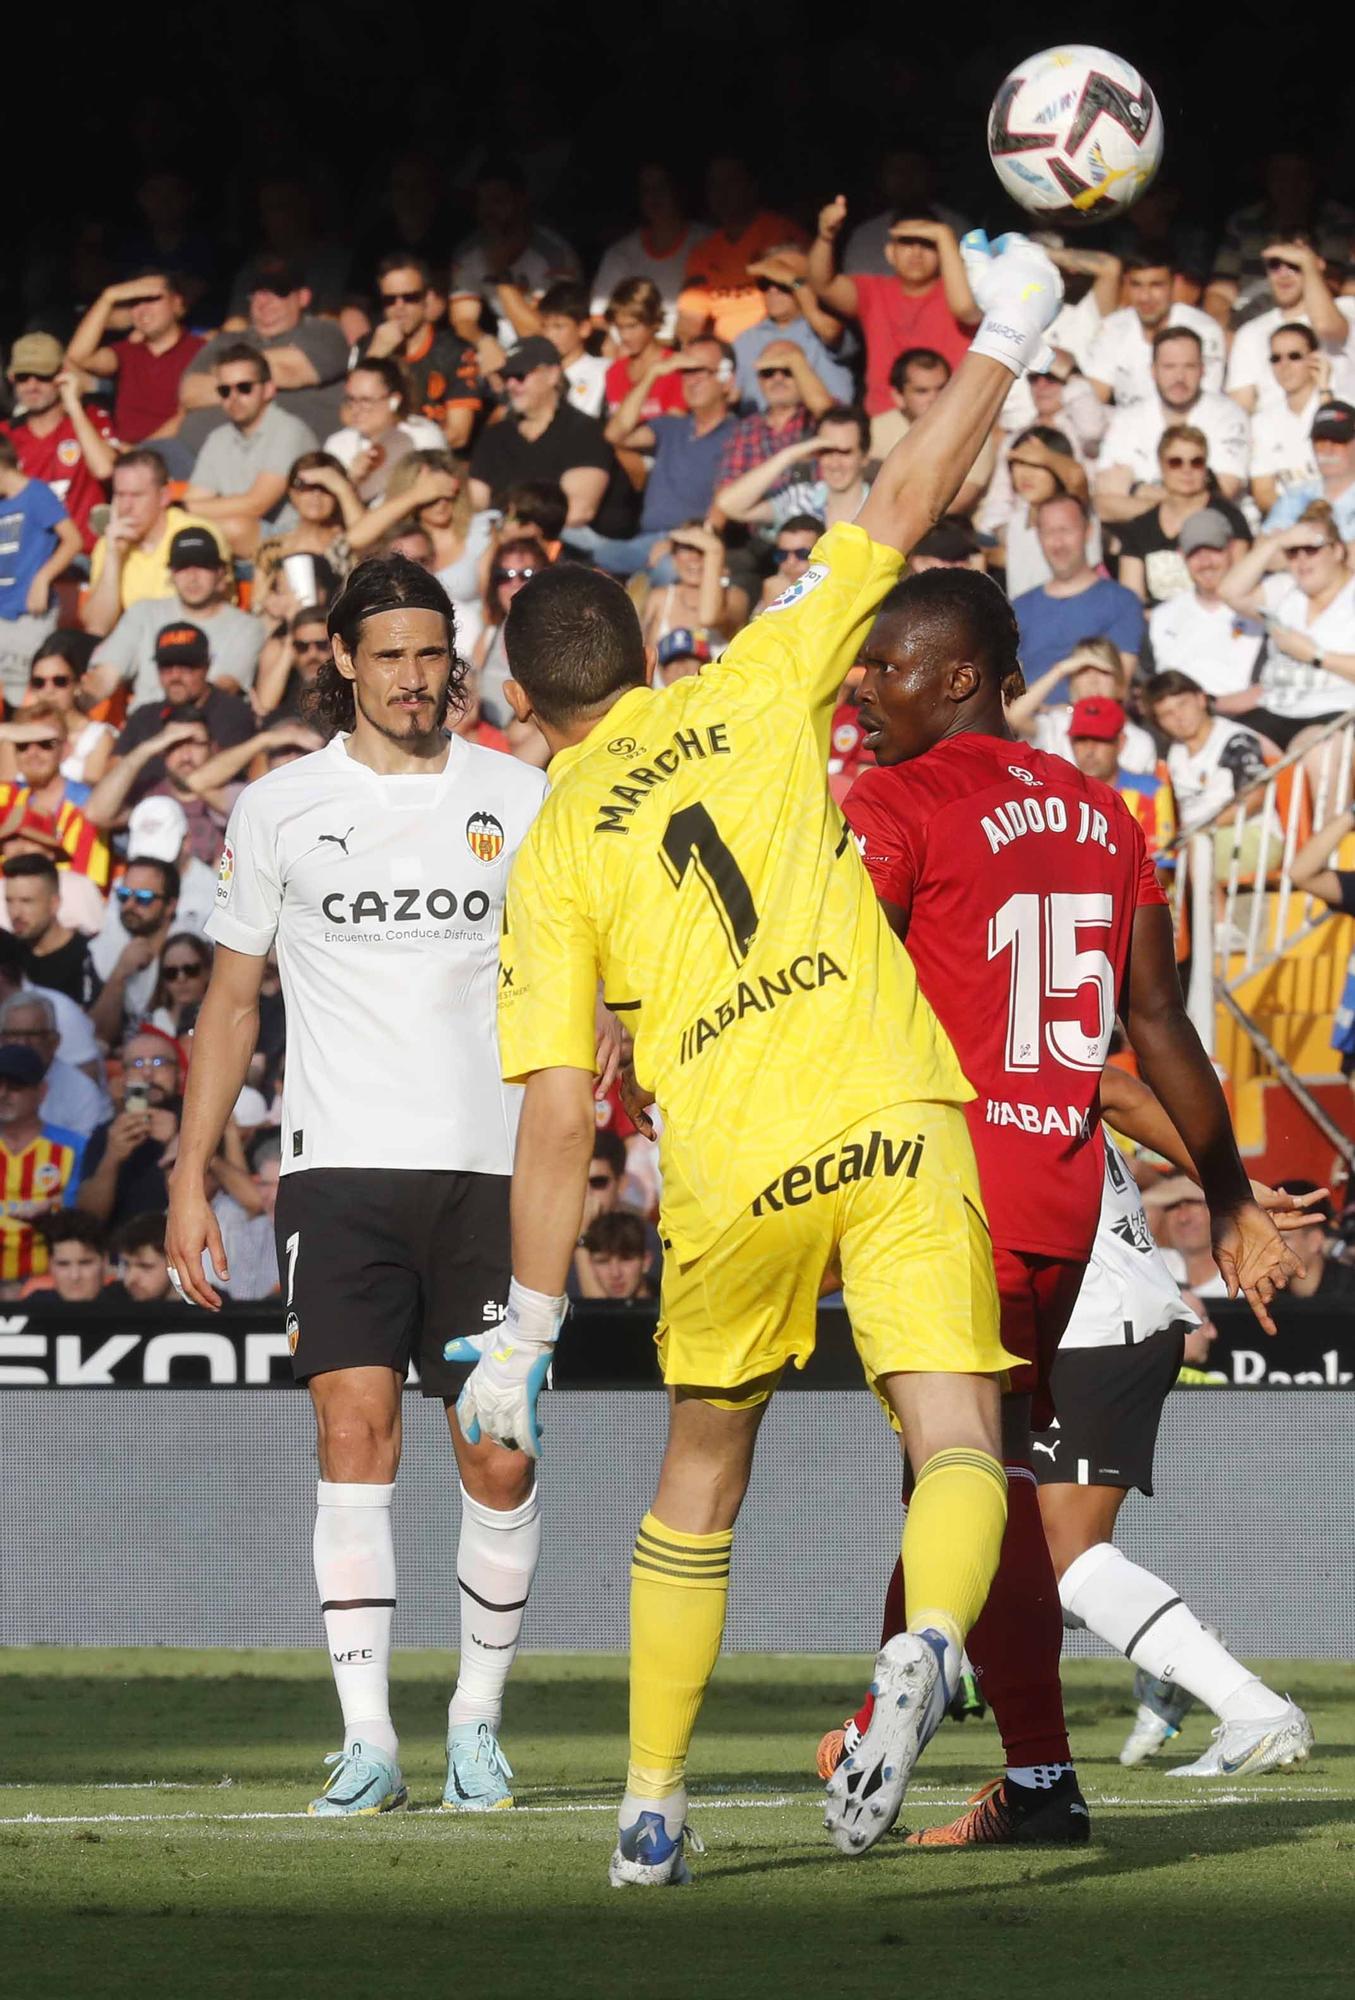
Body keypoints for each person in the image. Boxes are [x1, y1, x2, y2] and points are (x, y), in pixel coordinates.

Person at [453, 234, 1072, 1887]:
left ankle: (652, 1806)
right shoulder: (755, 677)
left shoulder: (553, 853)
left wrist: (522, 1334)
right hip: (893, 1102)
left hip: (737, 1156)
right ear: (655, 650)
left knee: (703, 1466)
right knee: (957, 1440)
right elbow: (905, 497)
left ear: (525, 704)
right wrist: (1007, 328)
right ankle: (925, 1642)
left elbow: (564, 1105)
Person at [824, 518, 1297, 1849]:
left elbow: (834, 995)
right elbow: (1158, 1028)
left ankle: (926, 1732)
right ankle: (1025, 1776)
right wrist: (1234, 1194)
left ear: (961, 675)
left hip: (936, 1195)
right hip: (1055, 1203)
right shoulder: (1102, 811)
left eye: (886, 669)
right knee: (986, 1491)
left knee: (949, 1485)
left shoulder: (895, 805)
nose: (863, 690)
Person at [165, 554, 595, 1822]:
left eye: (431, 652)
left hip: (493, 1172)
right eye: (389, 653)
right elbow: (232, 1001)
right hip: (337, 1171)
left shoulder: (524, 795)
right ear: (342, 659)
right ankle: (368, 1739)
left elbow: (591, 970)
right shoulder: (279, 807)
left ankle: (475, 1722)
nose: (414, 677)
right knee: (351, 1433)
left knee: (497, 1454)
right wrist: (191, 1177)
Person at [1036, 1072, 1314, 1779]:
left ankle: (1250, 1708)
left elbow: (1115, 1090)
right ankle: (1167, 1646)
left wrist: (1229, 1189)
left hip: (1093, 1322)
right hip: (1077, 1319)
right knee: (1010, 1552)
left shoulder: (974, 1039)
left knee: (1062, 1556)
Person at [808, 199, 979, 416]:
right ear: (890, 253)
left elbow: (965, 308)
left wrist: (944, 235)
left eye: (928, 243)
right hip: (887, 418)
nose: (916, 252)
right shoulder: (873, 291)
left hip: (953, 415)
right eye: (907, 242)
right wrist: (826, 237)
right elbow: (823, 284)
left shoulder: (960, 289)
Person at [1217, 503, 1355, 748]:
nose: (1301, 560)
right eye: (1293, 552)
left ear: (1337, 551)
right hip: (1277, 708)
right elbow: (1229, 592)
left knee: (1316, 749)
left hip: (1337, 709)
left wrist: (1316, 655)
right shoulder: (1285, 589)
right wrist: (1275, 543)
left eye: (1311, 549)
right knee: (1233, 747)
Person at [467, 337, 632, 542]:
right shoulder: (496, 435)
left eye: (520, 376)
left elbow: (578, 512)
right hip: (504, 539)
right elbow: (474, 500)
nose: (510, 384)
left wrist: (515, 529)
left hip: (573, 545)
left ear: (553, 375)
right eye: (506, 376)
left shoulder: (585, 432)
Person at [177, 259, 351, 450]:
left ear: (303, 297)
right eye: (256, 292)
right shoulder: (227, 341)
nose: (263, 301)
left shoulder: (325, 333)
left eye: (278, 291)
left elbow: (291, 370)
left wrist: (222, 376)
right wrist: (252, 379)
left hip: (295, 458)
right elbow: (191, 392)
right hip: (209, 457)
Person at [599, 343, 738, 574]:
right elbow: (616, 433)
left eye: (699, 372)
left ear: (727, 380)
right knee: (593, 558)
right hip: (645, 540)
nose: (690, 381)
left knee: (665, 570)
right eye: (685, 373)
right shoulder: (671, 425)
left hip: (692, 546)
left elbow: (722, 508)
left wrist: (679, 544)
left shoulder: (738, 434)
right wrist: (652, 375)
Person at [89, 525, 266, 705]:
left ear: (220, 573)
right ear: (171, 574)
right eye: (183, 567)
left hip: (204, 724)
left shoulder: (247, 627)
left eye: (203, 566)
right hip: (142, 724)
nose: (193, 577)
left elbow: (225, 687)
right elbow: (105, 676)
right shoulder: (143, 613)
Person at [1095, 329, 1251, 523]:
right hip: (1139, 540)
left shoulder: (1228, 416)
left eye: (1189, 367)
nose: (1179, 378)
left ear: (1203, 370)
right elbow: (1103, 501)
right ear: (1152, 371)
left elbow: (1221, 495)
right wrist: (1184, 504)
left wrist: (1134, 489)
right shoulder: (1127, 419)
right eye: (1169, 367)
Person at [184, 348, 320, 557]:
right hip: (236, 539)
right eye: (224, 391)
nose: (234, 397)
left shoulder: (289, 430)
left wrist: (179, 510)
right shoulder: (218, 438)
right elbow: (195, 498)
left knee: (231, 528)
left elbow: (257, 504)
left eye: (244, 387)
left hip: (295, 539)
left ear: (268, 389)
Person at [81, 450, 229, 636]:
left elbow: (211, 613)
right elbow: (97, 628)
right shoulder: (108, 545)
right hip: (131, 649)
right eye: (120, 495)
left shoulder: (198, 536)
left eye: (136, 496)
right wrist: (113, 558)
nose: (126, 507)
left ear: (164, 496)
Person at [449, 159, 582, 351]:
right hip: (502, 350)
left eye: (497, 201)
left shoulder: (556, 255)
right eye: (482, 202)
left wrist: (501, 275)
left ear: (521, 201)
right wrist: (484, 342)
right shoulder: (469, 252)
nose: (488, 212)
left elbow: (543, 333)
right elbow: (463, 320)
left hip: (551, 354)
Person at [1010, 494, 1145, 682]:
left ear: (1088, 532)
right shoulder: (1018, 609)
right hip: (1031, 711)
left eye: (1065, 530)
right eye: (1048, 532)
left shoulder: (1121, 601)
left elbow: (1119, 681)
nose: (1058, 543)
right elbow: (1008, 690)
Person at [65, 269, 206, 447]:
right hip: (124, 456)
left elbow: (190, 415)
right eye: (135, 302)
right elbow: (78, 357)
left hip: (174, 455)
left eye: (152, 299)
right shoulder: (127, 351)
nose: (142, 309)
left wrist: (139, 453)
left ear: (177, 303)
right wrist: (108, 297)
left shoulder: (201, 350)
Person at [1, 334, 118, 549]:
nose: (32, 385)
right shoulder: (5, 434)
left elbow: (104, 469)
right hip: (28, 560)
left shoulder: (90, 417)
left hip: (84, 555)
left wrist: (73, 406)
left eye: (43, 376)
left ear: (62, 375)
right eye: (23, 377)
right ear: (11, 378)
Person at [1115, 425, 1251, 608]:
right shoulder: (1139, 528)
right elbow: (1132, 600)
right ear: (1161, 466)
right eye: (1176, 462)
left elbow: (1240, 584)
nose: (1187, 470)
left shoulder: (1229, 518)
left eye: (1196, 462)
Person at [360, 253, 485, 449]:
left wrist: (401, 450)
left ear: (427, 298)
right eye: (390, 300)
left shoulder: (455, 351)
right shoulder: (368, 347)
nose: (399, 307)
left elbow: (459, 434)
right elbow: (352, 419)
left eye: (410, 297)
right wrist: (376, 357)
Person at [678, 156, 805, 344]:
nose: (722, 193)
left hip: (780, 346)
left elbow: (804, 289)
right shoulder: (703, 252)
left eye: (730, 182)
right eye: (714, 185)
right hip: (724, 361)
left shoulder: (782, 233)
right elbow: (689, 320)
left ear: (751, 186)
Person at [1148, 510, 1269, 700]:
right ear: (1181, 555)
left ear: (1231, 548)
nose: (1205, 563)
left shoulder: (1259, 608)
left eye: (1214, 550)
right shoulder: (1162, 617)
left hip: (1245, 717)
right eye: (1194, 553)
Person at [1225, 237, 1354, 414]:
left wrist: (1308, 263)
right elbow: (1240, 407)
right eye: (1275, 265)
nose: (1283, 274)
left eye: (1295, 265)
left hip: (1337, 431)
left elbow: (1325, 327)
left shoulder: (1346, 309)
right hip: (1273, 436)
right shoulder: (1250, 333)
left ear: (1318, 265)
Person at [0, 435, 82, 702]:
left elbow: (73, 540)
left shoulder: (36, 493)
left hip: (29, 617)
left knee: (26, 698)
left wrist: (42, 578)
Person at [1084, 252, 1225, 405]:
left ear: (1173, 284)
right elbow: (1095, 397)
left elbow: (1206, 404)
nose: (1145, 297)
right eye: (1136, 285)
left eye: (1156, 285)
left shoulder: (1204, 331)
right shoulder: (1112, 328)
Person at [0, 1042, 84, 1295]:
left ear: (42, 1092)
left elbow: (87, 1210)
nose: (3, 1094)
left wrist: (54, 1209)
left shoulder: (73, 1147)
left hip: (49, 1287)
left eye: (15, 1087)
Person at [77, 1027, 183, 1227]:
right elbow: (89, 1219)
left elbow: (204, 1204)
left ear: (180, 1075)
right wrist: (112, 1157)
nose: (147, 1073)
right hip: (123, 1248)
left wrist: (174, 1143)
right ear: (123, 1078)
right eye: (137, 1064)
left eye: (159, 1062)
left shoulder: (199, 1124)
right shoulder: (108, 1133)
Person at [977, 425, 1096, 599]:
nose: (1025, 474)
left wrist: (1046, 456)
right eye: (1019, 464)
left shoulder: (1077, 513)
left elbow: (1076, 476)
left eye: (1036, 464)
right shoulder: (1016, 523)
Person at [716, 404, 871, 536]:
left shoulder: (880, 504)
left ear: (864, 457)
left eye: (845, 452)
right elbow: (728, 504)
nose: (835, 463)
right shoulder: (801, 498)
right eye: (826, 451)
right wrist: (789, 455)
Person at [0, 704, 110, 883]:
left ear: (66, 750)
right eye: (22, 745)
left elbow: (84, 886)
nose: (32, 753)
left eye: (46, 744)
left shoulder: (87, 805)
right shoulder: (6, 797)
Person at [732, 249, 853, 411]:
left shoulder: (824, 326)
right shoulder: (745, 340)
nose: (773, 290)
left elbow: (830, 332)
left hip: (824, 427)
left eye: (783, 284)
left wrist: (795, 282)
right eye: (765, 284)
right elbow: (731, 396)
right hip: (762, 431)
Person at [591, 165, 699, 340]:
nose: (654, 197)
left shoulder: (705, 243)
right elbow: (599, 318)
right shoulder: (620, 253)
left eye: (662, 187)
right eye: (647, 190)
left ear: (679, 191)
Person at [87, 858, 180, 1047]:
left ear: (170, 905)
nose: (129, 905)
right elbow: (96, 1036)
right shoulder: (99, 952)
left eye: (143, 898)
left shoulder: (188, 956)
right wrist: (119, 974)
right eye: (123, 895)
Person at [322, 361, 445, 504]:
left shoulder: (423, 436)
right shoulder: (338, 444)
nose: (355, 409)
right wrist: (351, 482)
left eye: (366, 401)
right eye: (351, 399)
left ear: (394, 400)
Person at [4, 634, 114, 787]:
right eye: (39, 682)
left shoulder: (98, 738)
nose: (49, 690)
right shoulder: (16, 736)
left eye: (59, 681)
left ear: (78, 684)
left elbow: (93, 798)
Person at [0, 990, 109, 1137]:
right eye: (14, 1035)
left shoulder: (81, 1092)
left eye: (33, 1035)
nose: (22, 1043)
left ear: (54, 1042)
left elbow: (83, 1155)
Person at [0, 854, 99, 1007]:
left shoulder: (88, 958)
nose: (15, 913)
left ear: (54, 904)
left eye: (27, 901)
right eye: (9, 901)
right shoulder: (6, 954)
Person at [1249, 324, 1327, 514]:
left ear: (1315, 358)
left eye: (1294, 356)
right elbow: (1263, 492)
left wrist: (1325, 390)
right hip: (1288, 521)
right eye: (1276, 358)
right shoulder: (1262, 422)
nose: (1284, 366)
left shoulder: (1341, 404)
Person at [639, 523, 746, 656]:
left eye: (703, 549)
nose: (695, 557)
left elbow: (708, 618)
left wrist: (713, 550)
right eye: (688, 548)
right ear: (674, 557)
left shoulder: (734, 597)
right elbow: (644, 653)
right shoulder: (659, 598)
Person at [1261, 399, 1355, 540]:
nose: (1328, 450)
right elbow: (1263, 551)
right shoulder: (1294, 497)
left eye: (1337, 441)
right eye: (1321, 442)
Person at [1269, 1180, 1355, 1301]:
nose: (1269, 1249)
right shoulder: (1266, 1298)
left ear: (1315, 1240)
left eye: (1283, 1239)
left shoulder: (1348, 1298)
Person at [535, 282, 609, 419]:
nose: (549, 335)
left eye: (558, 326)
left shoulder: (604, 371)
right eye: (544, 326)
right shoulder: (534, 373)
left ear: (584, 329)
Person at [577, 1210, 653, 1302]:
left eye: (625, 1259)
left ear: (646, 1261)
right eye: (603, 1262)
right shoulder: (570, 1310)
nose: (615, 1273)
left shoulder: (669, 1308)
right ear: (588, 1265)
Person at [36, 1211, 110, 1303]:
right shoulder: (32, 1307)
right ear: (50, 1265)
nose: (75, 1276)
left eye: (85, 1263)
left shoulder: (127, 1306)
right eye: (63, 1264)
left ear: (105, 1262)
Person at [110, 1210, 175, 1304]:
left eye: (145, 1266)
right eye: (126, 1265)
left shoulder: (198, 1311)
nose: (131, 1278)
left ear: (175, 1264)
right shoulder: (108, 1304)